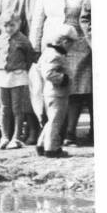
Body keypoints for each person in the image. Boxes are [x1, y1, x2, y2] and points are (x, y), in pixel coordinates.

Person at [29, 0, 91, 146]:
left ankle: (70, 133)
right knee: (53, 89)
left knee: (75, 91)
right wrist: (35, 47)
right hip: (53, 46)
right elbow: (37, 21)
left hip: (78, 47)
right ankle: (54, 131)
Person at [0, 15, 37, 149]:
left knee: (17, 108)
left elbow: (29, 58)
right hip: (2, 75)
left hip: (17, 75)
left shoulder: (23, 40)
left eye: (12, 25)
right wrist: (2, 67)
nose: (9, 28)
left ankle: (16, 137)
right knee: (4, 108)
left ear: (19, 23)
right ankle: (4, 136)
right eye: (5, 26)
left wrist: (19, 68)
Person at [35, 24, 76, 158]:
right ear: (64, 41)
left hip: (50, 93)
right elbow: (48, 73)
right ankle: (52, 148)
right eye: (71, 43)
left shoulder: (48, 52)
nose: (72, 47)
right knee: (56, 121)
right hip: (57, 93)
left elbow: (40, 67)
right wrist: (63, 79)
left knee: (51, 120)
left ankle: (41, 144)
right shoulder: (56, 55)